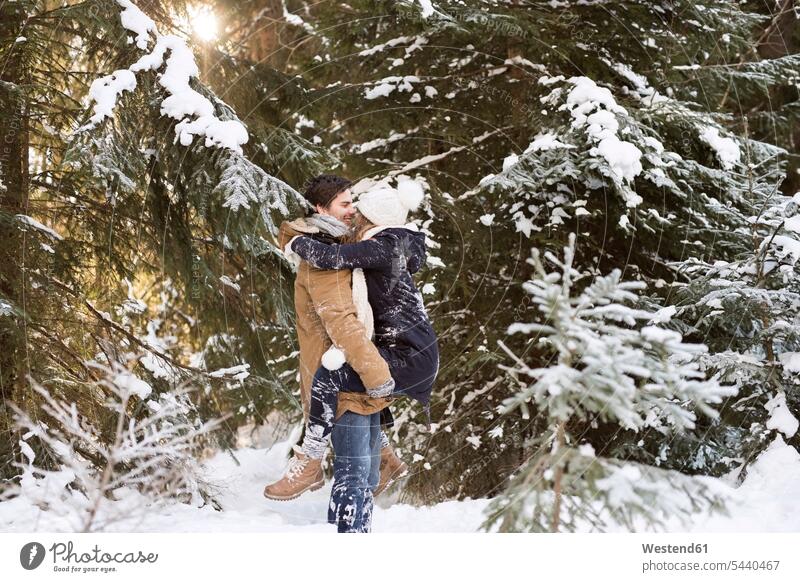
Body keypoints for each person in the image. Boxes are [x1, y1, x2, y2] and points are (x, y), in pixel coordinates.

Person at [263, 176, 406, 517]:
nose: (352, 210)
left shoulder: (341, 245)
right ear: (320, 208)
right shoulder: (322, 256)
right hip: (342, 380)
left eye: (352, 202)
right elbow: (341, 323)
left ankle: (384, 461)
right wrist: (377, 376)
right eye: (344, 204)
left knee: (363, 477)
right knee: (355, 480)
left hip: (356, 373)